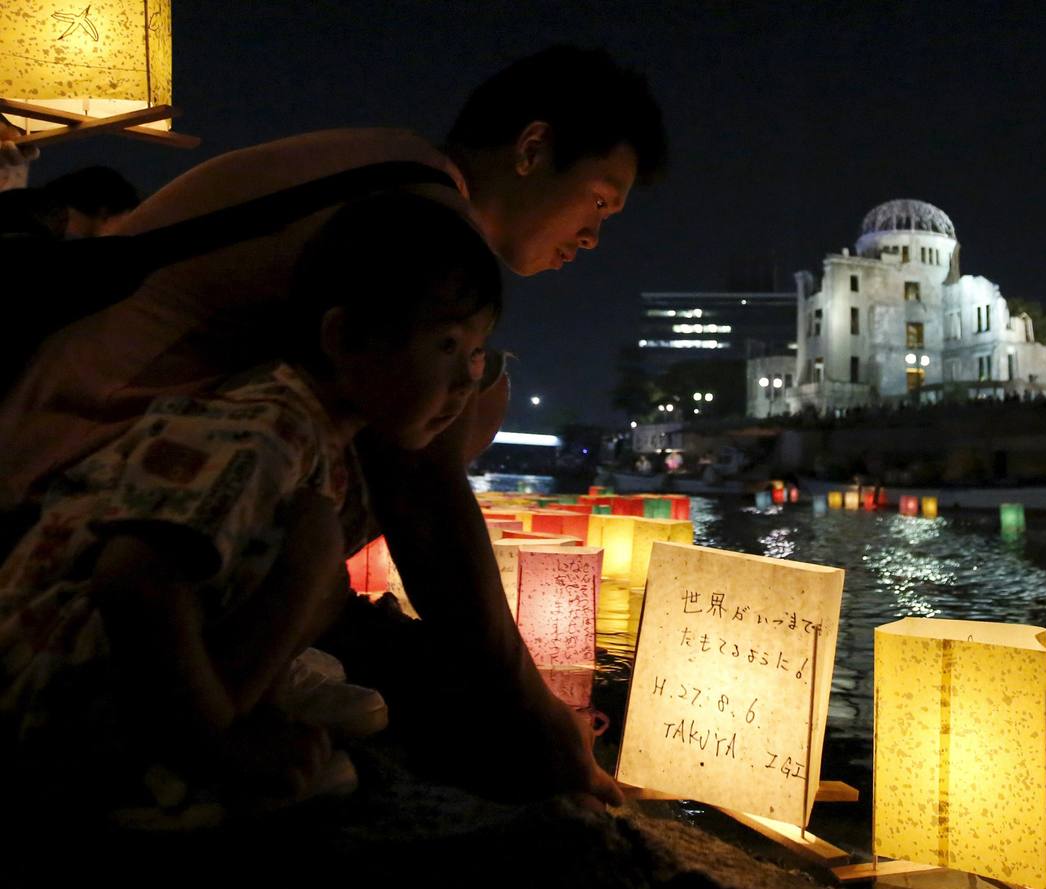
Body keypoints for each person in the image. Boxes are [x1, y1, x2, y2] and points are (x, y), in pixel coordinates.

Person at [0, 45, 666, 807]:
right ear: (533, 148)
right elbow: (421, 496)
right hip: (51, 514)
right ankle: (191, 735)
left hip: (83, 495)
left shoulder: (387, 171)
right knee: (359, 580)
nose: (593, 237)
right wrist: (533, 717)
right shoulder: (410, 222)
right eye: (600, 202)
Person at [0, 193, 500, 812]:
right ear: (345, 336)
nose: (467, 381)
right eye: (447, 346)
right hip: (51, 687)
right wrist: (221, 743)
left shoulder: (318, 438)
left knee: (321, 567)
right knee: (316, 551)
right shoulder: (263, 425)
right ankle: (174, 760)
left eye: (478, 352)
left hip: (105, 684)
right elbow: (136, 582)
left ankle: (206, 738)